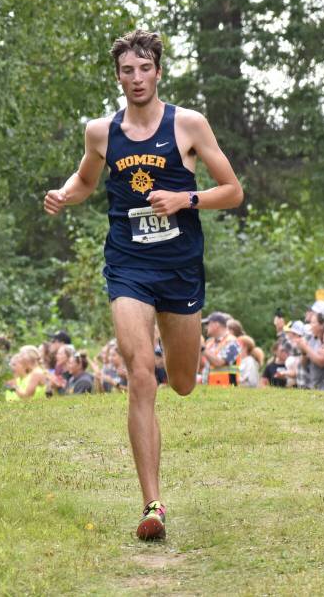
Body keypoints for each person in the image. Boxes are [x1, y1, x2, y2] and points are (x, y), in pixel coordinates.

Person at [42, 29, 243, 540]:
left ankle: (181, 370)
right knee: (139, 373)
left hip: (179, 267)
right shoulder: (100, 132)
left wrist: (184, 199)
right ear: (118, 77)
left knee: (179, 381)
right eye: (127, 71)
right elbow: (86, 181)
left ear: (158, 71)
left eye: (144, 69)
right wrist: (64, 195)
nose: (136, 79)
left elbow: (233, 191)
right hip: (128, 265)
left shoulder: (189, 125)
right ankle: (152, 505)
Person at [290, 311, 324, 389]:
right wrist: (303, 352)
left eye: (313, 323)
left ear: (322, 325)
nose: (310, 326)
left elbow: (322, 362)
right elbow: (304, 365)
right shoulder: (312, 339)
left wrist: (306, 348)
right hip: (315, 385)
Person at [202, 311, 241, 386]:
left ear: (216, 325)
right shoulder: (209, 343)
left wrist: (202, 348)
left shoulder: (232, 342)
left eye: (208, 324)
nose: (206, 327)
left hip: (228, 391)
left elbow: (219, 363)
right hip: (210, 389)